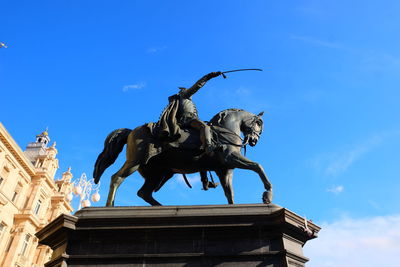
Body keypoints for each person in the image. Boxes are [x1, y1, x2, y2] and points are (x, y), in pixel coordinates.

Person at [157, 71, 222, 154]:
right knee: (204, 127)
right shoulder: (184, 96)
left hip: (189, 119)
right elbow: (197, 86)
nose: (189, 91)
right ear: (182, 92)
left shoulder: (186, 100)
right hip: (187, 119)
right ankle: (208, 146)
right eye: (186, 90)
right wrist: (209, 76)